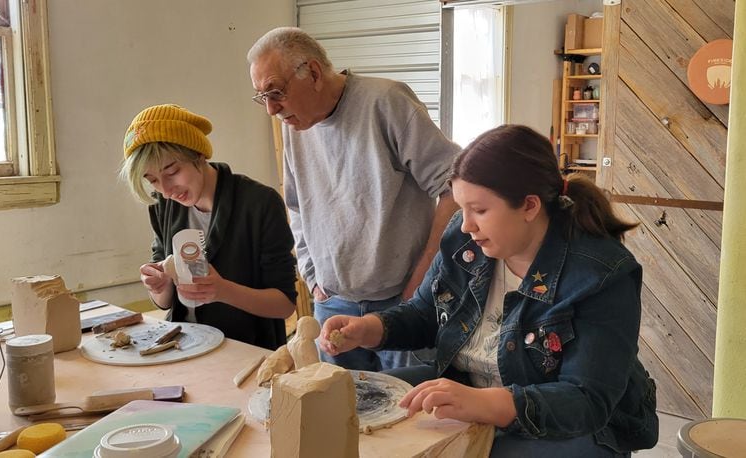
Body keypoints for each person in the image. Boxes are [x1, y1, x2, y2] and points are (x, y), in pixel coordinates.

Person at [319, 125, 659, 456]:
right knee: (354, 406)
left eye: (479, 210)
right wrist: (372, 328)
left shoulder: (601, 275)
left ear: (529, 206)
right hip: (472, 385)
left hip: (577, 424)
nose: (466, 224)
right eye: (462, 208)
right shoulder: (465, 239)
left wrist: (485, 403)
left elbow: (587, 400)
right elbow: (426, 311)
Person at [247, 27, 460, 371]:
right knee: (336, 416)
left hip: (402, 305)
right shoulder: (294, 126)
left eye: (275, 92)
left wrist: (423, 276)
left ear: (313, 73)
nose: (271, 109)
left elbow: (455, 187)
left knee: (406, 419)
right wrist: (313, 277)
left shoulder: (386, 102)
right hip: (332, 304)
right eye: (262, 96)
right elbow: (297, 205)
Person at [120, 104, 298, 350]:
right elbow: (164, 301)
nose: (166, 191)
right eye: (152, 180)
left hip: (248, 351)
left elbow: (284, 304)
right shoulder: (163, 205)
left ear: (199, 155)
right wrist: (158, 285)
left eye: (172, 172)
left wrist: (223, 291)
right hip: (183, 347)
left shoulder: (259, 203)